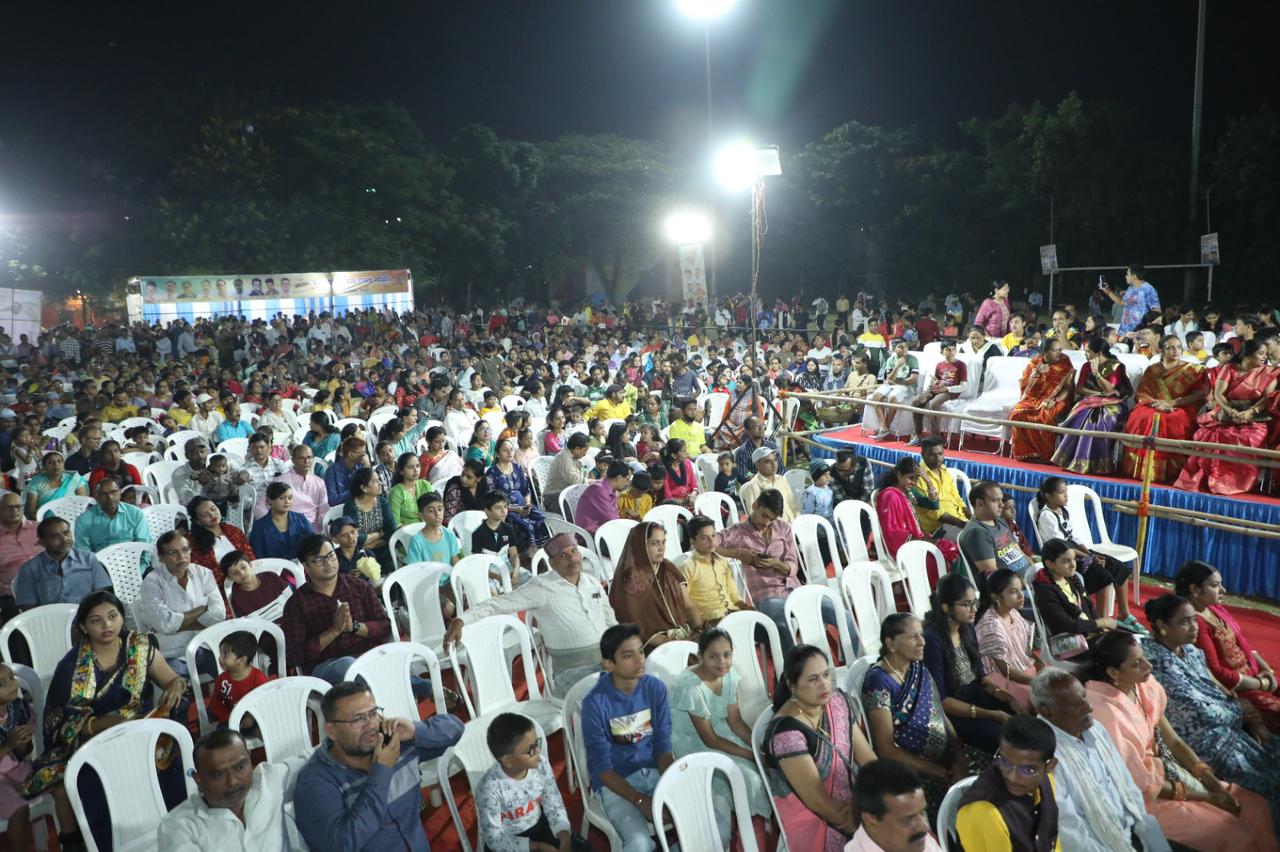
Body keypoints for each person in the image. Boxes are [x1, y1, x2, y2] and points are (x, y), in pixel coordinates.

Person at [23, 591, 188, 852]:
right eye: (96, 621)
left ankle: (174, 836)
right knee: (95, 782)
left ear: (122, 618)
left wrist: (175, 688)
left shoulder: (140, 647)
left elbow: (171, 680)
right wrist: (101, 725)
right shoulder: (72, 667)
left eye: (112, 617)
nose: (107, 625)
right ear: (83, 627)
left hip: (142, 735)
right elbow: (59, 723)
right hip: (92, 744)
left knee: (170, 761)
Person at [1085, 630, 1278, 852]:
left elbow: (1173, 741)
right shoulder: (1104, 712)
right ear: (1112, 672)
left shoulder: (1142, 684)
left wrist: (1211, 782)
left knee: (1253, 805)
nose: (1148, 666)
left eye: (1144, 657)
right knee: (1232, 835)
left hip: (1166, 773)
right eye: (1137, 663)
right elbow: (1141, 785)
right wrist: (1208, 796)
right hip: (1142, 799)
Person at [1142, 594, 1280, 825]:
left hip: (1227, 731)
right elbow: (1204, 710)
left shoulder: (1191, 652)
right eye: (1184, 622)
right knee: (1270, 785)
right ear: (1162, 626)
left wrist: (1249, 716)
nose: (1193, 627)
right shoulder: (1157, 664)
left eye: (1194, 620)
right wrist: (1240, 709)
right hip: (1203, 744)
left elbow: (1219, 692)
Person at [294, 681, 463, 852]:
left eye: (373, 713)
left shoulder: (396, 744)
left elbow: (455, 728)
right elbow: (341, 845)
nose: (370, 725)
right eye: (357, 719)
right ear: (331, 731)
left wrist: (415, 730)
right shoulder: (315, 782)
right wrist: (381, 772)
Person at [444, 533, 616, 697]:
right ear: (553, 563)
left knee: (638, 680)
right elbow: (498, 604)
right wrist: (461, 620)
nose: (572, 558)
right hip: (573, 670)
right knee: (613, 694)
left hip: (608, 661)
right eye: (563, 556)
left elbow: (611, 621)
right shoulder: (542, 587)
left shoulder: (592, 582)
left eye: (574, 551)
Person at [1029, 668, 1174, 852]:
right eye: (1075, 704)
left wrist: (1143, 829)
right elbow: (1072, 837)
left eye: (1084, 697)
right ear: (1047, 711)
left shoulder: (1094, 728)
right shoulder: (1045, 756)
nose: (1089, 707)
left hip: (1134, 830)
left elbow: (1127, 784)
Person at [762, 644, 876, 851]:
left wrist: (887, 796)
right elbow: (820, 804)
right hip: (819, 824)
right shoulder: (786, 735)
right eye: (813, 679)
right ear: (792, 685)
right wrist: (871, 822)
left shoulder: (837, 702)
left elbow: (869, 761)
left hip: (858, 803)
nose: (824, 685)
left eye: (826, 675)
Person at [862, 613, 968, 821]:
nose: (922, 642)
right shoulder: (878, 682)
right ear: (890, 643)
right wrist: (941, 772)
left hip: (947, 761)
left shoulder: (917, 668)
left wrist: (959, 755)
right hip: (913, 771)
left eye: (921, 635)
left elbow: (940, 714)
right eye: (913, 637)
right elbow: (886, 748)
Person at [581, 624, 677, 852]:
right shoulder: (594, 703)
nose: (639, 660)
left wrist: (669, 786)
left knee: (708, 823)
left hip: (655, 772)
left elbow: (663, 746)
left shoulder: (655, 688)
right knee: (639, 844)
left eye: (641, 651)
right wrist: (640, 800)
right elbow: (604, 770)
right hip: (616, 783)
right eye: (628, 655)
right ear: (608, 664)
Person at [669, 629, 772, 823]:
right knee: (750, 778)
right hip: (694, 743)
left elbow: (736, 722)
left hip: (721, 732)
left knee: (767, 763)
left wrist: (757, 749)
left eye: (727, 654)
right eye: (713, 656)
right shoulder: (691, 687)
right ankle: (750, 829)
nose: (722, 662)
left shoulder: (729, 674)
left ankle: (754, 821)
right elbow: (709, 739)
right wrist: (750, 755)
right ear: (700, 656)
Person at [156, 728, 305, 852]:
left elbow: (319, 755)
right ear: (198, 780)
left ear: (250, 759)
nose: (232, 781)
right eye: (218, 774)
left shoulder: (268, 780)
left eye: (240, 767)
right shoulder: (179, 828)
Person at [923, 574, 1022, 758]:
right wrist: (991, 714)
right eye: (966, 604)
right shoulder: (932, 640)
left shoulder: (965, 627)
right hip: (956, 710)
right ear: (946, 607)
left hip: (975, 695)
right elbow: (941, 700)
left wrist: (1006, 698)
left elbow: (981, 677)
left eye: (974, 602)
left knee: (1023, 721)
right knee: (1007, 739)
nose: (973, 609)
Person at [1175, 560, 1280, 732]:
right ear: (1195, 590)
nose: (1223, 590)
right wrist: (1261, 684)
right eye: (1215, 585)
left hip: (1255, 676)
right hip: (1238, 689)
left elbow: (1243, 644)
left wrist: (1267, 671)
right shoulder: (1195, 624)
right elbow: (1215, 671)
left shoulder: (1215, 609)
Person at [282, 534, 394, 685]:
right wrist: (334, 630)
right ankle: (417, 686)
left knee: (398, 659)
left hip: (365, 656)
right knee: (348, 665)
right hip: (324, 667)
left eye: (330, 555)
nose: (328, 563)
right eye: (319, 560)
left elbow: (385, 627)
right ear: (306, 567)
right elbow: (294, 655)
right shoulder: (296, 604)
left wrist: (354, 627)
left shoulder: (359, 587)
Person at [1033, 476, 1139, 631]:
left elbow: (1074, 536)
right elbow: (1064, 546)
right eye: (1062, 493)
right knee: (1102, 575)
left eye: (1066, 492)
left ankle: (1124, 612)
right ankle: (1102, 621)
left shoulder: (1063, 510)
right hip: (1065, 556)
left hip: (1077, 551)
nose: (1066, 496)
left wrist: (1089, 552)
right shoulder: (1046, 516)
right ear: (1049, 496)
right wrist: (1088, 557)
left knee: (1117, 566)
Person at [476, 712, 590, 852]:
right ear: (507, 760)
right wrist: (536, 847)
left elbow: (554, 805)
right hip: (508, 841)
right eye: (530, 749)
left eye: (537, 743)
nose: (538, 750)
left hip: (539, 825)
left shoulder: (541, 765)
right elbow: (495, 839)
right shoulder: (489, 788)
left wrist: (564, 836)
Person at [1175, 340, 1277, 495]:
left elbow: (1267, 398)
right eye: (1260, 354)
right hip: (1225, 413)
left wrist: (1250, 412)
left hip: (1255, 418)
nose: (1265, 357)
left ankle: (1237, 483)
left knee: (1251, 437)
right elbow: (1218, 394)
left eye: (1265, 354)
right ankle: (1209, 479)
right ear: (1247, 355)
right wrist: (1230, 411)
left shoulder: (1269, 372)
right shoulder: (1229, 368)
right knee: (1207, 435)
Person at [954, 716, 1062, 852]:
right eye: (1005, 762)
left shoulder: (1047, 780)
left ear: (1050, 766)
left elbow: (1051, 839)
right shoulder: (984, 812)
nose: (1012, 777)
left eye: (1028, 770)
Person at [138, 530, 228, 676]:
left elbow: (219, 616)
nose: (182, 557)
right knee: (174, 684)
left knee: (234, 672)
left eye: (185, 550)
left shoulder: (204, 573)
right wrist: (201, 609)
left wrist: (177, 623)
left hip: (208, 645)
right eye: (173, 553)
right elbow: (164, 624)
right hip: (174, 652)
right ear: (161, 558)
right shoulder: (152, 583)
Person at [1120, 335, 1209, 482]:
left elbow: (1200, 395)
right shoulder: (1152, 370)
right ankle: (1142, 471)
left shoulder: (1194, 370)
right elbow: (1142, 393)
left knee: (1172, 419)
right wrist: (1156, 403)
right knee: (1141, 416)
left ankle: (1171, 472)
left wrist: (1173, 403)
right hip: (1153, 405)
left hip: (1181, 407)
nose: (1176, 350)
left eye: (1178, 347)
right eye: (1170, 347)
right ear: (1161, 350)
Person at [607, 522, 699, 651]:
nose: (661, 548)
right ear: (640, 546)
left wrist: (698, 629)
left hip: (685, 637)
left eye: (663, 542)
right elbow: (633, 625)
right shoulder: (629, 580)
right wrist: (672, 642)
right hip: (653, 645)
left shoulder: (668, 568)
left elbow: (689, 606)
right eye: (655, 543)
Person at [1050, 337, 1132, 474]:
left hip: (1112, 404)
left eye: (1088, 351)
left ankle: (1097, 464)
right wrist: (1098, 393)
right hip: (1089, 401)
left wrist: (1096, 374)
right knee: (1081, 415)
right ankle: (1072, 460)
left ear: (1099, 353)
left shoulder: (1116, 366)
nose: (1085, 354)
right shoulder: (1086, 366)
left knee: (1099, 420)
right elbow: (1080, 389)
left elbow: (1109, 390)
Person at [874, 458, 960, 573]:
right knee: (941, 555)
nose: (914, 483)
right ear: (899, 475)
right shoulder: (890, 496)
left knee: (953, 549)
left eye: (917, 479)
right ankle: (938, 588)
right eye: (911, 478)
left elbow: (934, 505)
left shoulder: (908, 492)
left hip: (917, 537)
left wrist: (928, 482)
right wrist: (920, 540)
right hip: (904, 545)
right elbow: (892, 532)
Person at [1031, 538, 1118, 648]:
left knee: (1129, 640)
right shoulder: (1046, 591)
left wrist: (1101, 628)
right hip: (1071, 644)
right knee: (1123, 650)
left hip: (1088, 635)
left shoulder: (1071, 578)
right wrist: (1102, 623)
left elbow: (1089, 606)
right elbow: (1070, 626)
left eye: (1074, 559)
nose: (1073, 565)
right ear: (1050, 564)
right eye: (1066, 561)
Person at [974, 569, 1041, 711]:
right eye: (1013, 591)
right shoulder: (992, 627)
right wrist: (1038, 681)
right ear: (996, 597)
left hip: (1021, 670)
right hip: (1000, 679)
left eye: (1021, 589)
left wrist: (1041, 666)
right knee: (1047, 696)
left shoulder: (1013, 612)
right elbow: (1005, 671)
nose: (1021, 595)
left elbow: (1025, 650)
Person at [14, 516, 112, 610]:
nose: (64, 539)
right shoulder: (29, 569)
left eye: (66, 532)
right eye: (55, 536)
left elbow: (102, 594)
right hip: (49, 620)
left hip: (86, 618)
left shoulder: (89, 559)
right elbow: (28, 607)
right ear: (42, 542)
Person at [848, 759, 942, 852]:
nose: (924, 827)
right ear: (871, 819)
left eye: (922, 813)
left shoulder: (918, 839)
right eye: (908, 819)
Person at [673, 515, 749, 627]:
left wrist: (749, 609)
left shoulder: (722, 562)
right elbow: (682, 604)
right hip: (710, 621)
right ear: (693, 541)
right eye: (704, 538)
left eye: (713, 535)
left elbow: (734, 596)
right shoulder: (688, 567)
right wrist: (701, 625)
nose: (711, 541)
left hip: (732, 614)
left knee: (764, 628)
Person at [1008, 339, 1075, 461]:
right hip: (1033, 399)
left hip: (1058, 399)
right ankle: (1027, 453)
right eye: (1055, 350)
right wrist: (1037, 374)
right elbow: (1024, 386)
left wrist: (1054, 401)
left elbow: (1068, 389)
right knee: (1016, 414)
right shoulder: (1034, 364)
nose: (1059, 353)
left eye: (1060, 349)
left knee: (1045, 415)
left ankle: (1046, 455)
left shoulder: (1065, 363)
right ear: (1044, 352)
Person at [956, 480, 1030, 582]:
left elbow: (1019, 552)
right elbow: (994, 577)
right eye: (995, 501)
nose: (1002, 505)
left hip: (1028, 582)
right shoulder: (977, 533)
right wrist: (1027, 583)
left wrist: (1036, 570)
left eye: (1001, 500)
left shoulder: (1001, 521)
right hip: (1009, 591)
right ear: (979, 504)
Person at [0, 662, 35, 852]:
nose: (12, 685)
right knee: (19, 807)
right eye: (2, 684)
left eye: (12, 678)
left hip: (19, 768)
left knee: (56, 780)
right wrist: (9, 746)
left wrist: (23, 744)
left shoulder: (18, 708)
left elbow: (25, 750)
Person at [486, 438, 546, 545]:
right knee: (526, 526)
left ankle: (544, 551)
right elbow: (493, 501)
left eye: (511, 449)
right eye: (505, 450)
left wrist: (527, 505)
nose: (510, 452)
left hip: (524, 507)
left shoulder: (517, 468)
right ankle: (528, 555)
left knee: (543, 520)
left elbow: (526, 490)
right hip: (506, 511)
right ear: (497, 454)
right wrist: (516, 509)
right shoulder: (492, 473)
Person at [187, 496, 255, 589]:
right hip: (220, 589)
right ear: (198, 521)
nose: (212, 515)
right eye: (205, 515)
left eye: (213, 509)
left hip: (248, 580)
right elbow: (202, 576)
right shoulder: (194, 543)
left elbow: (250, 557)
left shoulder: (234, 531)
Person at [206, 630, 269, 728]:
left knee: (263, 729)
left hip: (253, 717)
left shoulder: (258, 679)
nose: (219, 658)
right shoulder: (222, 680)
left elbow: (263, 702)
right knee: (224, 736)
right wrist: (229, 719)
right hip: (230, 718)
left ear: (242, 660)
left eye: (226, 654)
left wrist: (250, 717)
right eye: (220, 653)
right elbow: (217, 703)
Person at [908, 341, 967, 444]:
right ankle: (918, 435)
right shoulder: (939, 365)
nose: (950, 352)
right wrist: (933, 384)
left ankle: (935, 437)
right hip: (936, 388)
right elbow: (937, 379)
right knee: (916, 402)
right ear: (942, 352)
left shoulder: (961, 365)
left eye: (953, 349)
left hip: (949, 391)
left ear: (956, 351)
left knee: (933, 404)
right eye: (947, 350)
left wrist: (947, 389)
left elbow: (964, 386)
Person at [73, 478, 152, 554]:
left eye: (113, 492)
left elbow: (145, 546)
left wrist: (142, 566)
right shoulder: (84, 520)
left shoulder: (135, 513)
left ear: (120, 493)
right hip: (99, 564)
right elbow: (83, 553)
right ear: (96, 497)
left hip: (132, 562)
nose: (110, 497)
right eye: (104, 494)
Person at [263, 443, 330, 528]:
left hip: (313, 529)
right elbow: (264, 505)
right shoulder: (280, 481)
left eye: (309, 457)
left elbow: (324, 509)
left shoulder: (319, 482)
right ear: (293, 460)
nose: (306, 461)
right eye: (301, 458)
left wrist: (324, 529)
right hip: (287, 527)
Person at [914, 439, 970, 540]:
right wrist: (964, 525)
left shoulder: (944, 469)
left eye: (940, 453)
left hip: (959, 520)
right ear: (922, 455)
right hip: (938, 528)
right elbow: (934, 512)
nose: (938, 458)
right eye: (932, 455)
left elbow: (957, 497)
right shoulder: (918, 477)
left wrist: (972, 519)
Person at [865, 340, 919, 441]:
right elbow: (890, 378)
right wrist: (897, 366)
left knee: (893, 396)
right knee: (875, 395)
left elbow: (913, 379)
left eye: (905, 346)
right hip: (893, 384)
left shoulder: (912, 359)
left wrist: (898, 381)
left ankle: (887, 427)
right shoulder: (891, 359)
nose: (904, 349)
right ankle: (883, 427)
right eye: (900, 347)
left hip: (907, 386)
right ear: (894, 349)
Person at [0, 492, 40, 624]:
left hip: (50, 586)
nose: (15, 511)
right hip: (13, 594)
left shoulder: (39, 528)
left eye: (18, 507)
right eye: (9, 508)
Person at [249, 482, 316, 561]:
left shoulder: (301, 519)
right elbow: (258, 558)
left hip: (302, 568)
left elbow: (314, 543)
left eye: (290, 498)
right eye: (282, 498)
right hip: (273, 570)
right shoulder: (259, 527)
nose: (287, 502)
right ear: (269, 500)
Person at [223, 550, 293, 622]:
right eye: (235, 573)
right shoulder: (237, 599)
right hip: (268, 631)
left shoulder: (271, 577)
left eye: (243, 567)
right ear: (230, 578)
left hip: (293, 621)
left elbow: (293, 601)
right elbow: (249, 625)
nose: (242, 573)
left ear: (250, 565)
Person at [737, 446, 798, 522]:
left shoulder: (782, 480)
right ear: (757, 465)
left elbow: (793, 506)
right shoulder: (753, 486)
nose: (774, 464)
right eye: (768, 462)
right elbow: (756, 518)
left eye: (775, 460)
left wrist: (798, 522)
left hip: (793, 526)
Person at [20, 451, 88, 520]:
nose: (56, 464)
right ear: (44, 467)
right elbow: (31, 512)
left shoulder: (74, 479)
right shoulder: (35, 483)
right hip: (47, 522)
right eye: (50, 462)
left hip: (73, 519)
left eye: (59, 461)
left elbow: (84, 504)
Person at [404, 492, 462, 571]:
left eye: (440, 509)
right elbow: (416, 571)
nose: (437, 514)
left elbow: (455, 561)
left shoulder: (449, 534)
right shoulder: (416, 541)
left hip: (449, 581)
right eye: (431, 511)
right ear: (421, 515)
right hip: (427, 582)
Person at [574, 460, 630, 534]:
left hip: (602, 529)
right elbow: (611, 518)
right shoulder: (599, 489)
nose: (627, 483)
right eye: (627, 479)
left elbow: (614, 517)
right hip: (588, 535)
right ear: (619, 477)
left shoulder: (613, 491)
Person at [1104, 264, 1161, 336]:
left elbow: (1157, 312)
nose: (1125, 276)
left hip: (1139, 334)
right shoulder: (1130, 288)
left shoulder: (1149, 289)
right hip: (1124, 332)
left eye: (1127, 274)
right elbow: (1122, 303)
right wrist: (1108, 291)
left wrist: (1147, 328)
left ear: (1134, 276)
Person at [542, 433, 590, 512]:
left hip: (566, 494)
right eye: (585, 450)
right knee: (578, 511)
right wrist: (591, 481)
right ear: (577, 449)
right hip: (553, 497)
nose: (585, 454)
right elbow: (575, 480)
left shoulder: (572, 456)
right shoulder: (564, 458)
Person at [324, 436, 368, 508]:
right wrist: (355, 490)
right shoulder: (332, 472)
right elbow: (332, 500)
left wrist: (367, 468)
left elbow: (370, 490)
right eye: (362, 453)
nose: (364, 456)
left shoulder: (362, 466)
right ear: (351, 454)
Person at [442, 458, 489, 525]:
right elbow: (449, 518)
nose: (463, 479)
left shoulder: (486, 483)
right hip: (459, 527)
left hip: (482, 524)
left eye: (469, 477)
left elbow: (491, 507)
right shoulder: (455, 489)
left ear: (479, 478)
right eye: (462, 474)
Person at [732, 416, 777, 482]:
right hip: (755, 486)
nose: (761, 429)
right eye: (756, 427)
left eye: (762, 425)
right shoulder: (743, 451)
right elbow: (744, 472)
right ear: (747, 430)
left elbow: (781, 469)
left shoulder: (772, 446)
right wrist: (758, 480)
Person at [658, 438, 699, 508]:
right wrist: (684, 502)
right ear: (674, 455)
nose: (687, 453)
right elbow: (667, 497)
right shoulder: (664, 470)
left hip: (689, 500)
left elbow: (694, 485)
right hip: (673, 505)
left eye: (686, 449)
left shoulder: (687, 463)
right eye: (683, 451)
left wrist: (693, 495)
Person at [803, 459, 836, 523]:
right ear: (816, 477)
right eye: (824, 475)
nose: (828, 477)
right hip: (817, 524)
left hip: (830, 521)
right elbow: (808, 513)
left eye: (829, 474)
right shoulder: (810, 493)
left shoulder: (828, 488)